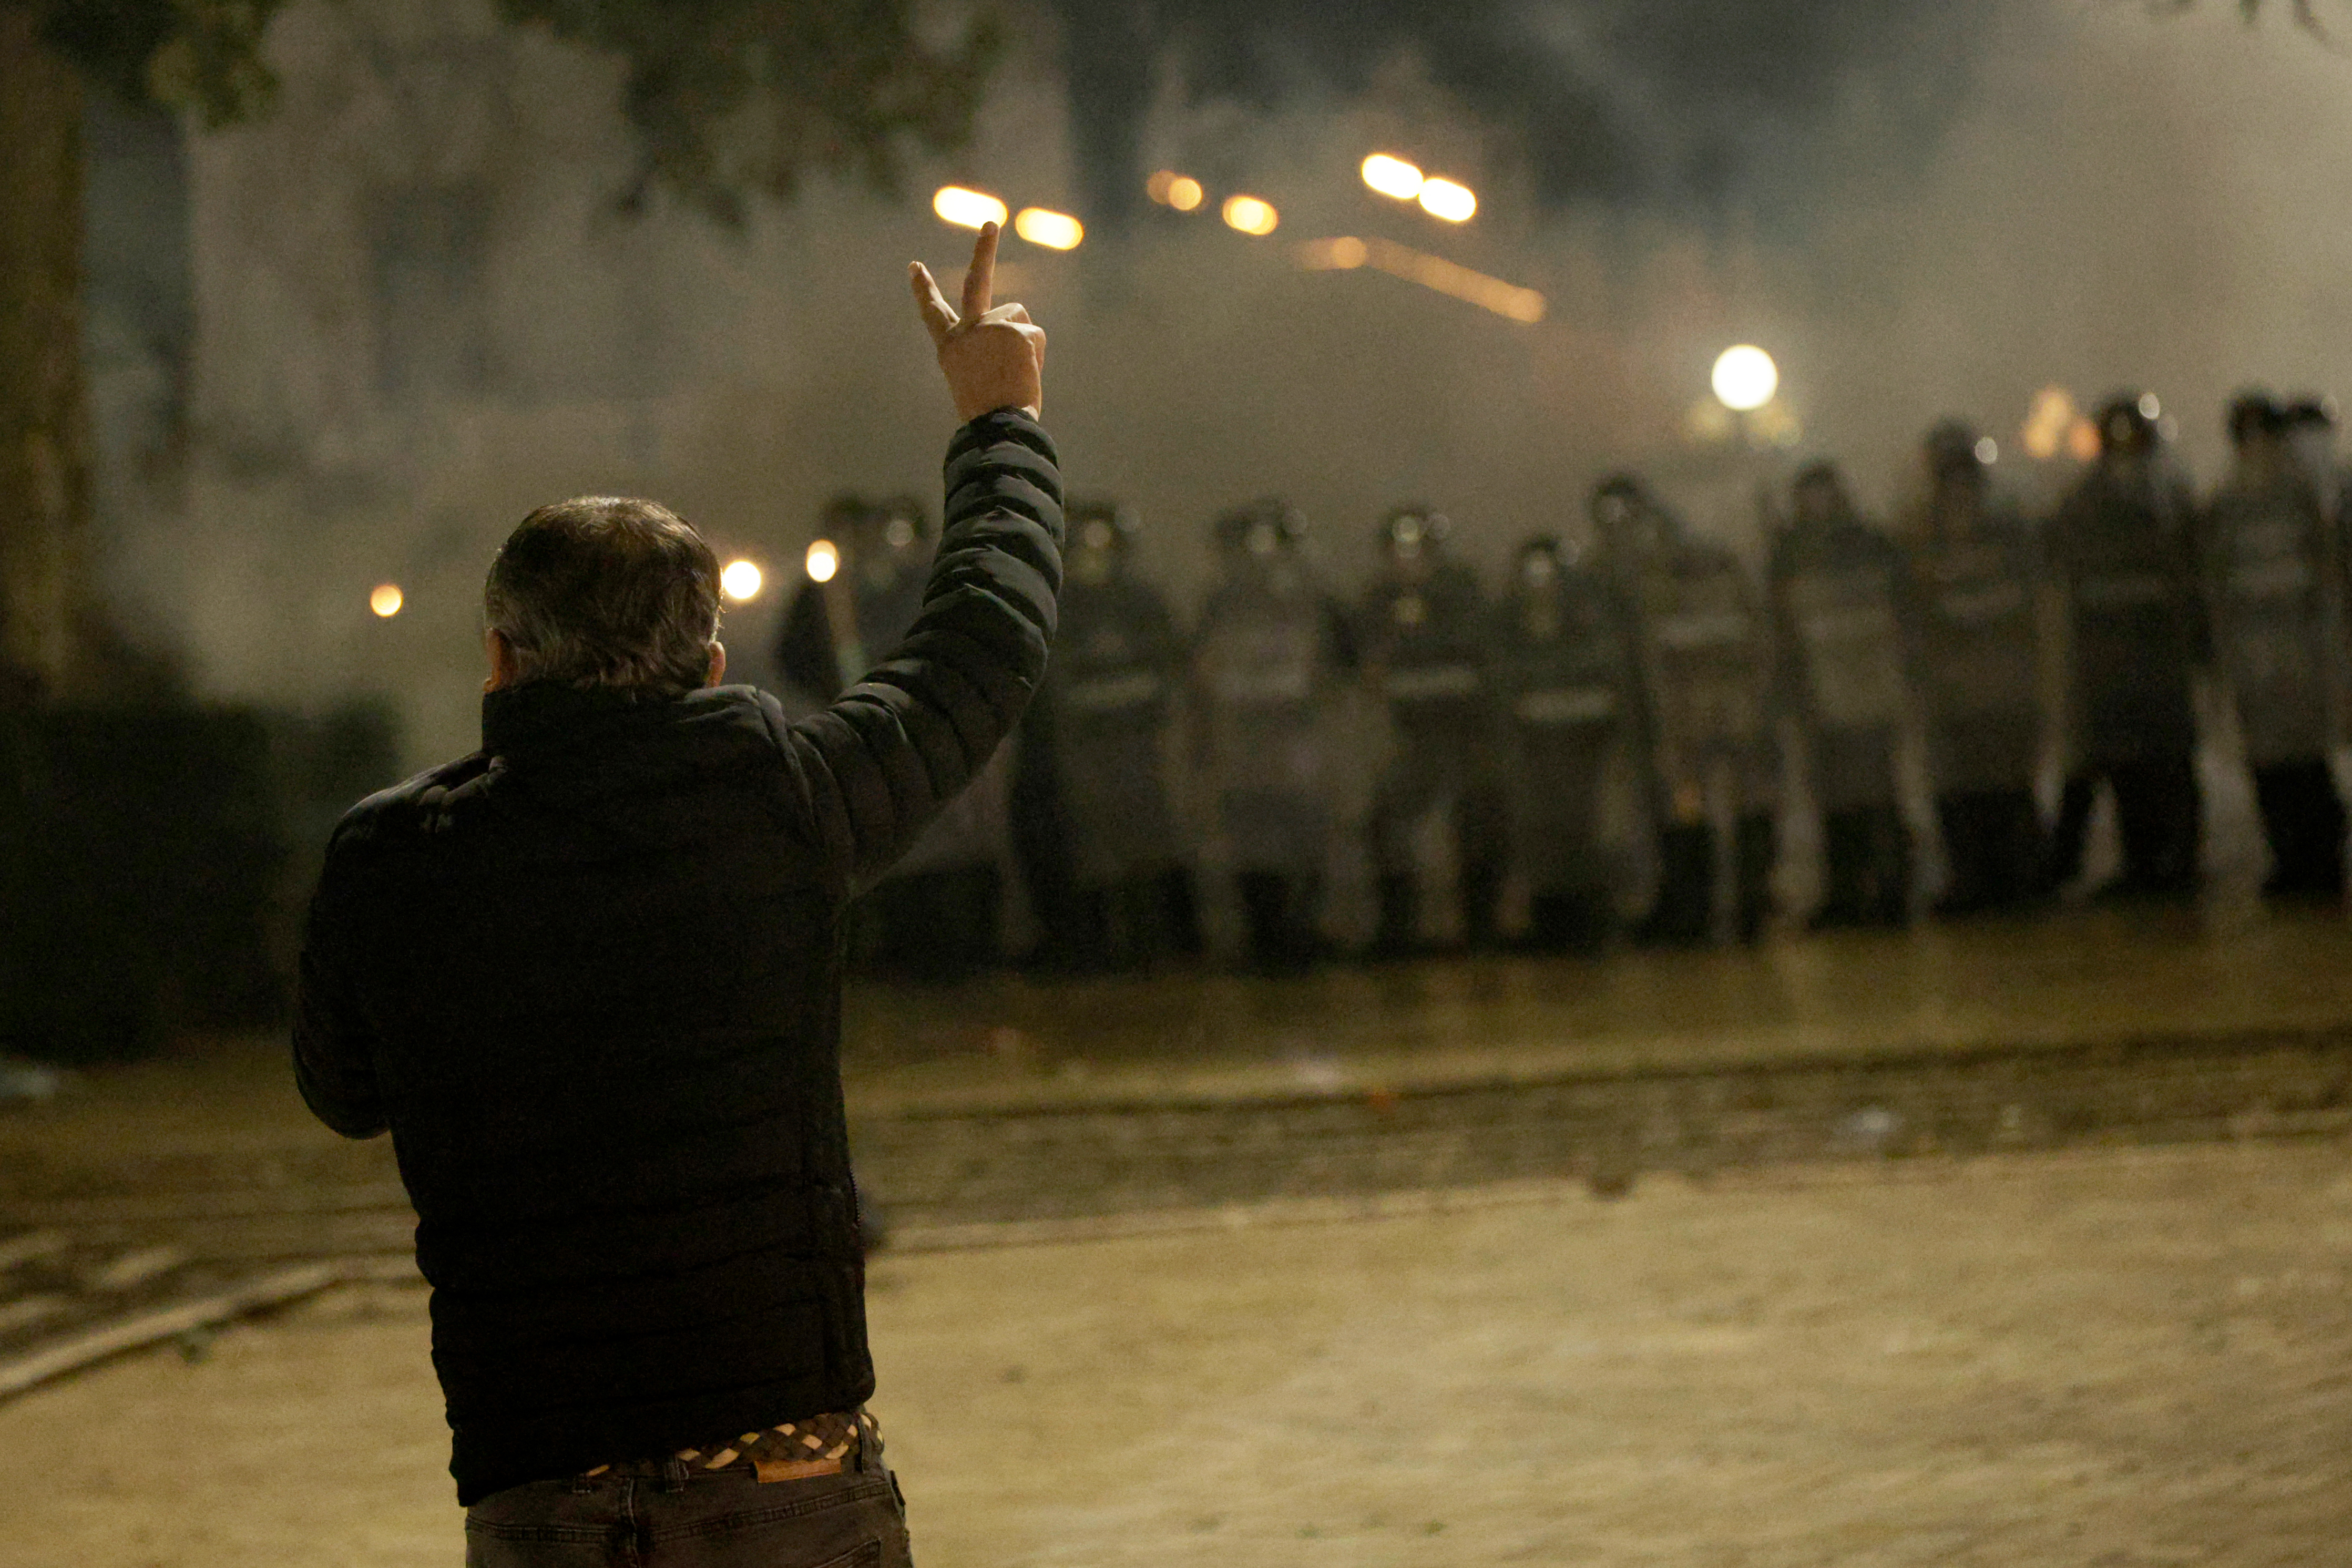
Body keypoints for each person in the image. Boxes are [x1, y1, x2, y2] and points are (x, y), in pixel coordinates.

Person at [292, 225, 1054, 1563]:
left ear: (500, 657)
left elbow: (344, 1091)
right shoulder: (789, 800)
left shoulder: (389, 859)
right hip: (783, 1479)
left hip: (542, 1483)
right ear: (706, 663)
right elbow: (983, 639)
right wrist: (1000, 425)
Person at [777, 491, 1014, 977]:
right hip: (867, 727)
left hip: (929, 729)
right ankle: (889, 955)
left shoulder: (930, 586)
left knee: (949, 842)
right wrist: (836, 694)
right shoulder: (834, 593)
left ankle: (962, 953)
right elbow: (805, 652)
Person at [1012, 497, 1201, 967]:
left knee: (1148, 842)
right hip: (1083, 751)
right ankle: (1096, 945)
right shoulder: (1057, 606)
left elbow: (1170, 667)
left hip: (1139, 747)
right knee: (1092, 847)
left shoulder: (1143, 602)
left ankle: (1158, 942)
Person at [1597, 475, 1778, 946]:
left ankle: (1739, 908)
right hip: (1662, 715)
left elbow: (1748, 638)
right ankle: (1687, 907)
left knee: (1725, 803)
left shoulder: (1688, 571)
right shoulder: (1610, 577)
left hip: (1703, 712)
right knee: (1677, 811)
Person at [2046, 393, 2205, 899]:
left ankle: (2177, 861)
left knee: (2170, 766)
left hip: (2160, 661)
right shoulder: (2084, 506)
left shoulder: (2172, 501)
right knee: (2127, 769)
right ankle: (2144, 863)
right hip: (2111, 664)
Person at [1190, 498, 1355, 970]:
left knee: (1308, 839)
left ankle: (1309, 932)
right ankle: (1263, 936)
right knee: (1250, 842)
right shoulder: (1218, 605)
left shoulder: (1320, 603)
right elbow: (1199, 678)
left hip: (1303, 748)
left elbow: (1352, 676)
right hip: (1243, 749)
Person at [2204, 391, 2347, 898]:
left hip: (2302, 654)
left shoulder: (2308, 496)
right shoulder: (2227, 503)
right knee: (2268, 766)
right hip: (2253, 659)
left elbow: (2329, 574)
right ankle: (2288, 858)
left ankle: (2320, 858)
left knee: (2306, 764)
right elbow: (2216, 583)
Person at [1907, 420, 2051, 915]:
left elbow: (2031, 604)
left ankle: (2020, 876)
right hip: (1955, 689)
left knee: (2009, 784)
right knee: (1959, 789)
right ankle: (1972, 878)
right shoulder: (1920, 535)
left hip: (2003, 684)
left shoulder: (2005, 529)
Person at [1769, 460, 1916, 929]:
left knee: (1882, 797)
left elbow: (1905, 617)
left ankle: (1894, 890)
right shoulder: (1789, 555)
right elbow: (1781, 636)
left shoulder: (1871, 546)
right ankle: (1846, 892)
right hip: (1822, 700)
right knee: (1833, 803)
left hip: (1874, 694)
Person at [1357, 505, 1508, 954]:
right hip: (1409, 738)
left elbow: (1486, 662)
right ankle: (1398, 930)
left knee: (1478, 822)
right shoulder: (1378, 602)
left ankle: (1482, 928)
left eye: (1418, 552)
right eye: (1399, 553)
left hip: (1467, 736)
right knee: (1386, 823)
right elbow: (1369, 668)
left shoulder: (1464, 596)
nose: (1409, 563)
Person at [1489, 533, 1643, 951]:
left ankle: (1597, 923)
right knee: (1541, 836)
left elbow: (1612, 682)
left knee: (1592, 833)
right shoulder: (1508, 625)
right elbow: (1502, 690)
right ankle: (1550, 926)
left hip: (1587, 748)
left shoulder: (1591, 622)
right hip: (1535, 752)